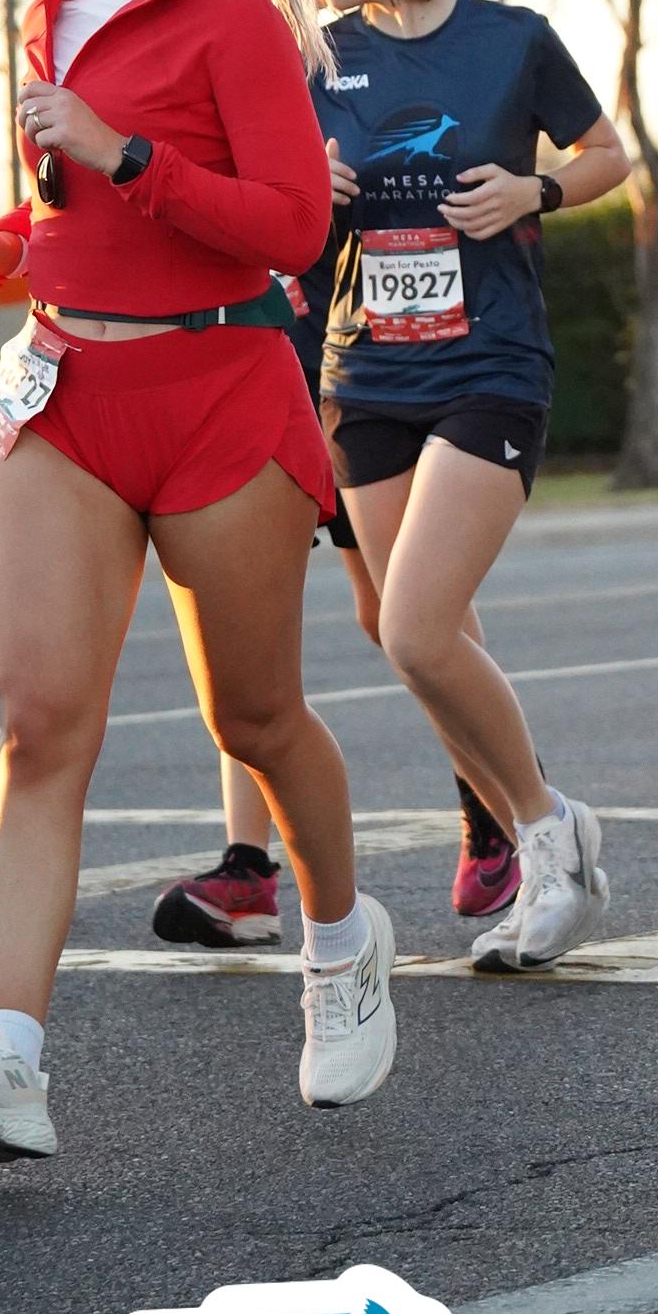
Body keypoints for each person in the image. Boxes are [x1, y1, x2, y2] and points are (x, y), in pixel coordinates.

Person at [0, 0, 397, 1164]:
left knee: (255, 720)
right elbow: (62, 223)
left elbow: (290, 227)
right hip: (68, 394)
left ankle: (340, 938)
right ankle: (8, 1057)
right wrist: (0, 251)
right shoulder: (47, 10)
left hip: (219, 395)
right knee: (41, 729)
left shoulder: (234, 21)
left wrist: (127, 151)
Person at [282, 0, 631, 970]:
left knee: (416, 625)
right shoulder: (318, 58)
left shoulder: (511, 39)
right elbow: (279, 219)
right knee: (422, 638)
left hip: (490, 364)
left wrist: (536, 188)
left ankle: (549, 831)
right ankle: (537, 848)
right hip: (365, 376)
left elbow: (609, 154)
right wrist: (311, 191)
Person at [148, 229, 521, 947]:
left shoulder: (323, 152)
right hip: (246, 394)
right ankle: (247, 872)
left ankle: (496, 813)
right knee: (243, 636)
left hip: (352, 389)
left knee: (400, 617)